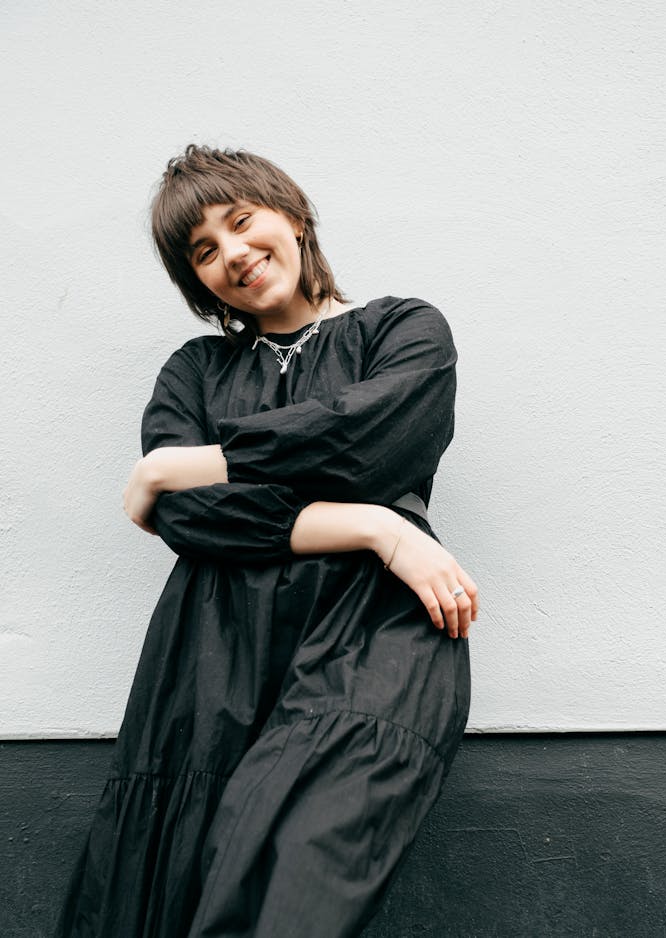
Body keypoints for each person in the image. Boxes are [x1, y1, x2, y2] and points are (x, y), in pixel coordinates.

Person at [55, 145, 477, 938]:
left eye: (242, 223)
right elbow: (187, 518)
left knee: (287, 888)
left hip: (369, 641)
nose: (234, 256)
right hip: (211, 658)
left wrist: (191, 462)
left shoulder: (403, 331)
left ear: (292, 214)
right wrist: (376, 524)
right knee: (162, 897)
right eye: (204, 251)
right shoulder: (194, 373)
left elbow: (368, 442)